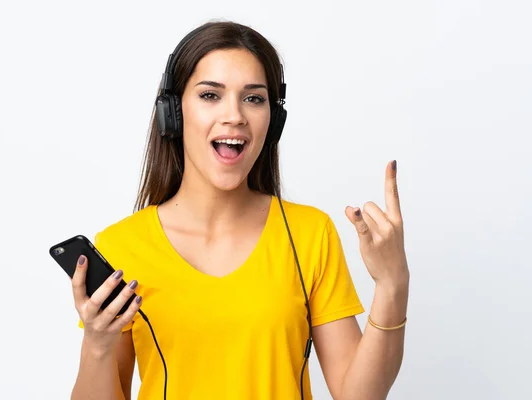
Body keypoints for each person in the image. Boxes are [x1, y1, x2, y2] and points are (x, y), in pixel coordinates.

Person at [69, 20, 410, 400]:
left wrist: (393, 285)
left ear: (273, 120)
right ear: (174, 113)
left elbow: (358, 396)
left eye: (253, 98)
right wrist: (97, 346)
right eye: (211, 95)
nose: (235, 116)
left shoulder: (310, 233)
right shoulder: (122, 246)